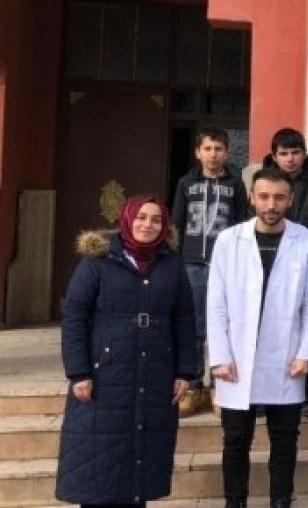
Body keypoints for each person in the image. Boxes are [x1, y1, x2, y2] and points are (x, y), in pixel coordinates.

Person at [56, 195, 198, 508]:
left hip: (155, 375)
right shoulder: (97, 262)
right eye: (141, 217)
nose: (148, 225)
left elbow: (185, 320)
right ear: (127, 219)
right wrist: (79, 372)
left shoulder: (172, 265)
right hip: (105, 377)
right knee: (99, 468)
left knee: (140, 469)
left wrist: (185, 371)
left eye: (156, 219)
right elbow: (75, 318)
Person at [207, 166, 308, 508]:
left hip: (286, 358)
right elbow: (215, 303)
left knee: (285, 441)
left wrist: (306, 353)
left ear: (291, 200)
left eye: (278, 197)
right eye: (264, 197)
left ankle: (281, 501)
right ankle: (235, 502)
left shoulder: (307, 242)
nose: (271, 205)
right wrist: (219, 357)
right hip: (236, 359)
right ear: (251, 198)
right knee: (235, 440)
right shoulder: (229, 241)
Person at [171, 126, 251, 416]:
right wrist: (175, 259)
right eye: (207, 149)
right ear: (198, 152)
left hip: (225, 263)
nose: (213, 155)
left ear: (227, 152)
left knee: (223, 324)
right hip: (192, 262)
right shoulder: (185, 183)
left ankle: (220, 384)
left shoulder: (236, 185)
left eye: (218, 149)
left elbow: (243, 224)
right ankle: (193, 386)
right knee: (195, 325)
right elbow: (176, 223)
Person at [263, 127, 308, 417]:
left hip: (307, 265)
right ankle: (263, 392)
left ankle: (303, 393)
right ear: (274, 156)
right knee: (267, 327)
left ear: (304, 154)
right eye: (284, 153)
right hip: (268, 263)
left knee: (305, 327)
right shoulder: (263, 185)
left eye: (296, 152)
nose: (290, 159)